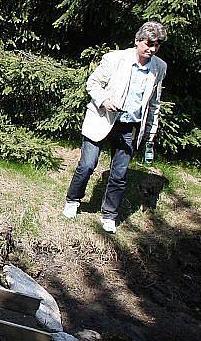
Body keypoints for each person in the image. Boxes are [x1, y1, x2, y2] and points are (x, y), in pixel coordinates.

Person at [63, 21, 168, 234]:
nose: (152, 49)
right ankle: (73, 200)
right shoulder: (114, 58)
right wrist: (104, 100)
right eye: (148, 43)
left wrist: (151, 131)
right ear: (137, 41)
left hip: (130, 126)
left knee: (119, 174)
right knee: (87, 165)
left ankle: (109, 215)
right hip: (102, 119)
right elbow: (92, 84)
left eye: (156, 45)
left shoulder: (159, 67)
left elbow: (154, 103)